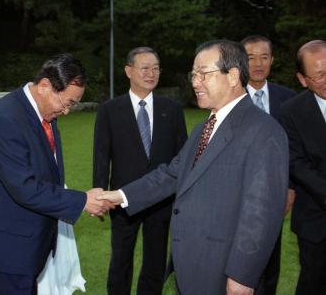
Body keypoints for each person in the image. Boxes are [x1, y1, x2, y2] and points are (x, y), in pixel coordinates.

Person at [98, 40, 289, 295]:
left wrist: (242, 275)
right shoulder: (205, 127)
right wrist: (119, 195)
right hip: (193, 265)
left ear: (232, 76)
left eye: (203, 74)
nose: (195, 82)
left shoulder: (264, 131)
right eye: (193, 74)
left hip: (224, 269)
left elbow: (262, 213)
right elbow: (172, 173)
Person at [0, 53, 113, 295]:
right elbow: (25, 187)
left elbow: (48, 174)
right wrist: (83, 201)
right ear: (45, 86)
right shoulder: (6, 119)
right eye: (67, 103)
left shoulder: (43, 113)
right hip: (6, 252)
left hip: (27, 247)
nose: (66, 112)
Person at [93, 47, 187, 295]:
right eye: (145, 68)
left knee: (155, 261)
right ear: (128, 71)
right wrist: (100, 195)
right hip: (122, 199)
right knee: (121, 259)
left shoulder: (172, 109)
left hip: (162, 199)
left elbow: (183, 157)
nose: (151, 73)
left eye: (156, 68)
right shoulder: (110, 110)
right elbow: (101, 155)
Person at [241, 35, 296, 295]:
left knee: (270, 260)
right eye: (250, 57)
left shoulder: (288, 98)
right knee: (239, 263)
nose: (258, 63)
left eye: (264, 57)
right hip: (237, 194)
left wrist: (291, 187)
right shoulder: (230, 96)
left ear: (272, 60)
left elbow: (296, 149)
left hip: (276, 194)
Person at [279, 40, 326, 295]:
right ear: (303, 79)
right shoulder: (291, 112)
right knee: (313, 281)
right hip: (315, 217)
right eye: (319, 75)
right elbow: (295, 162)